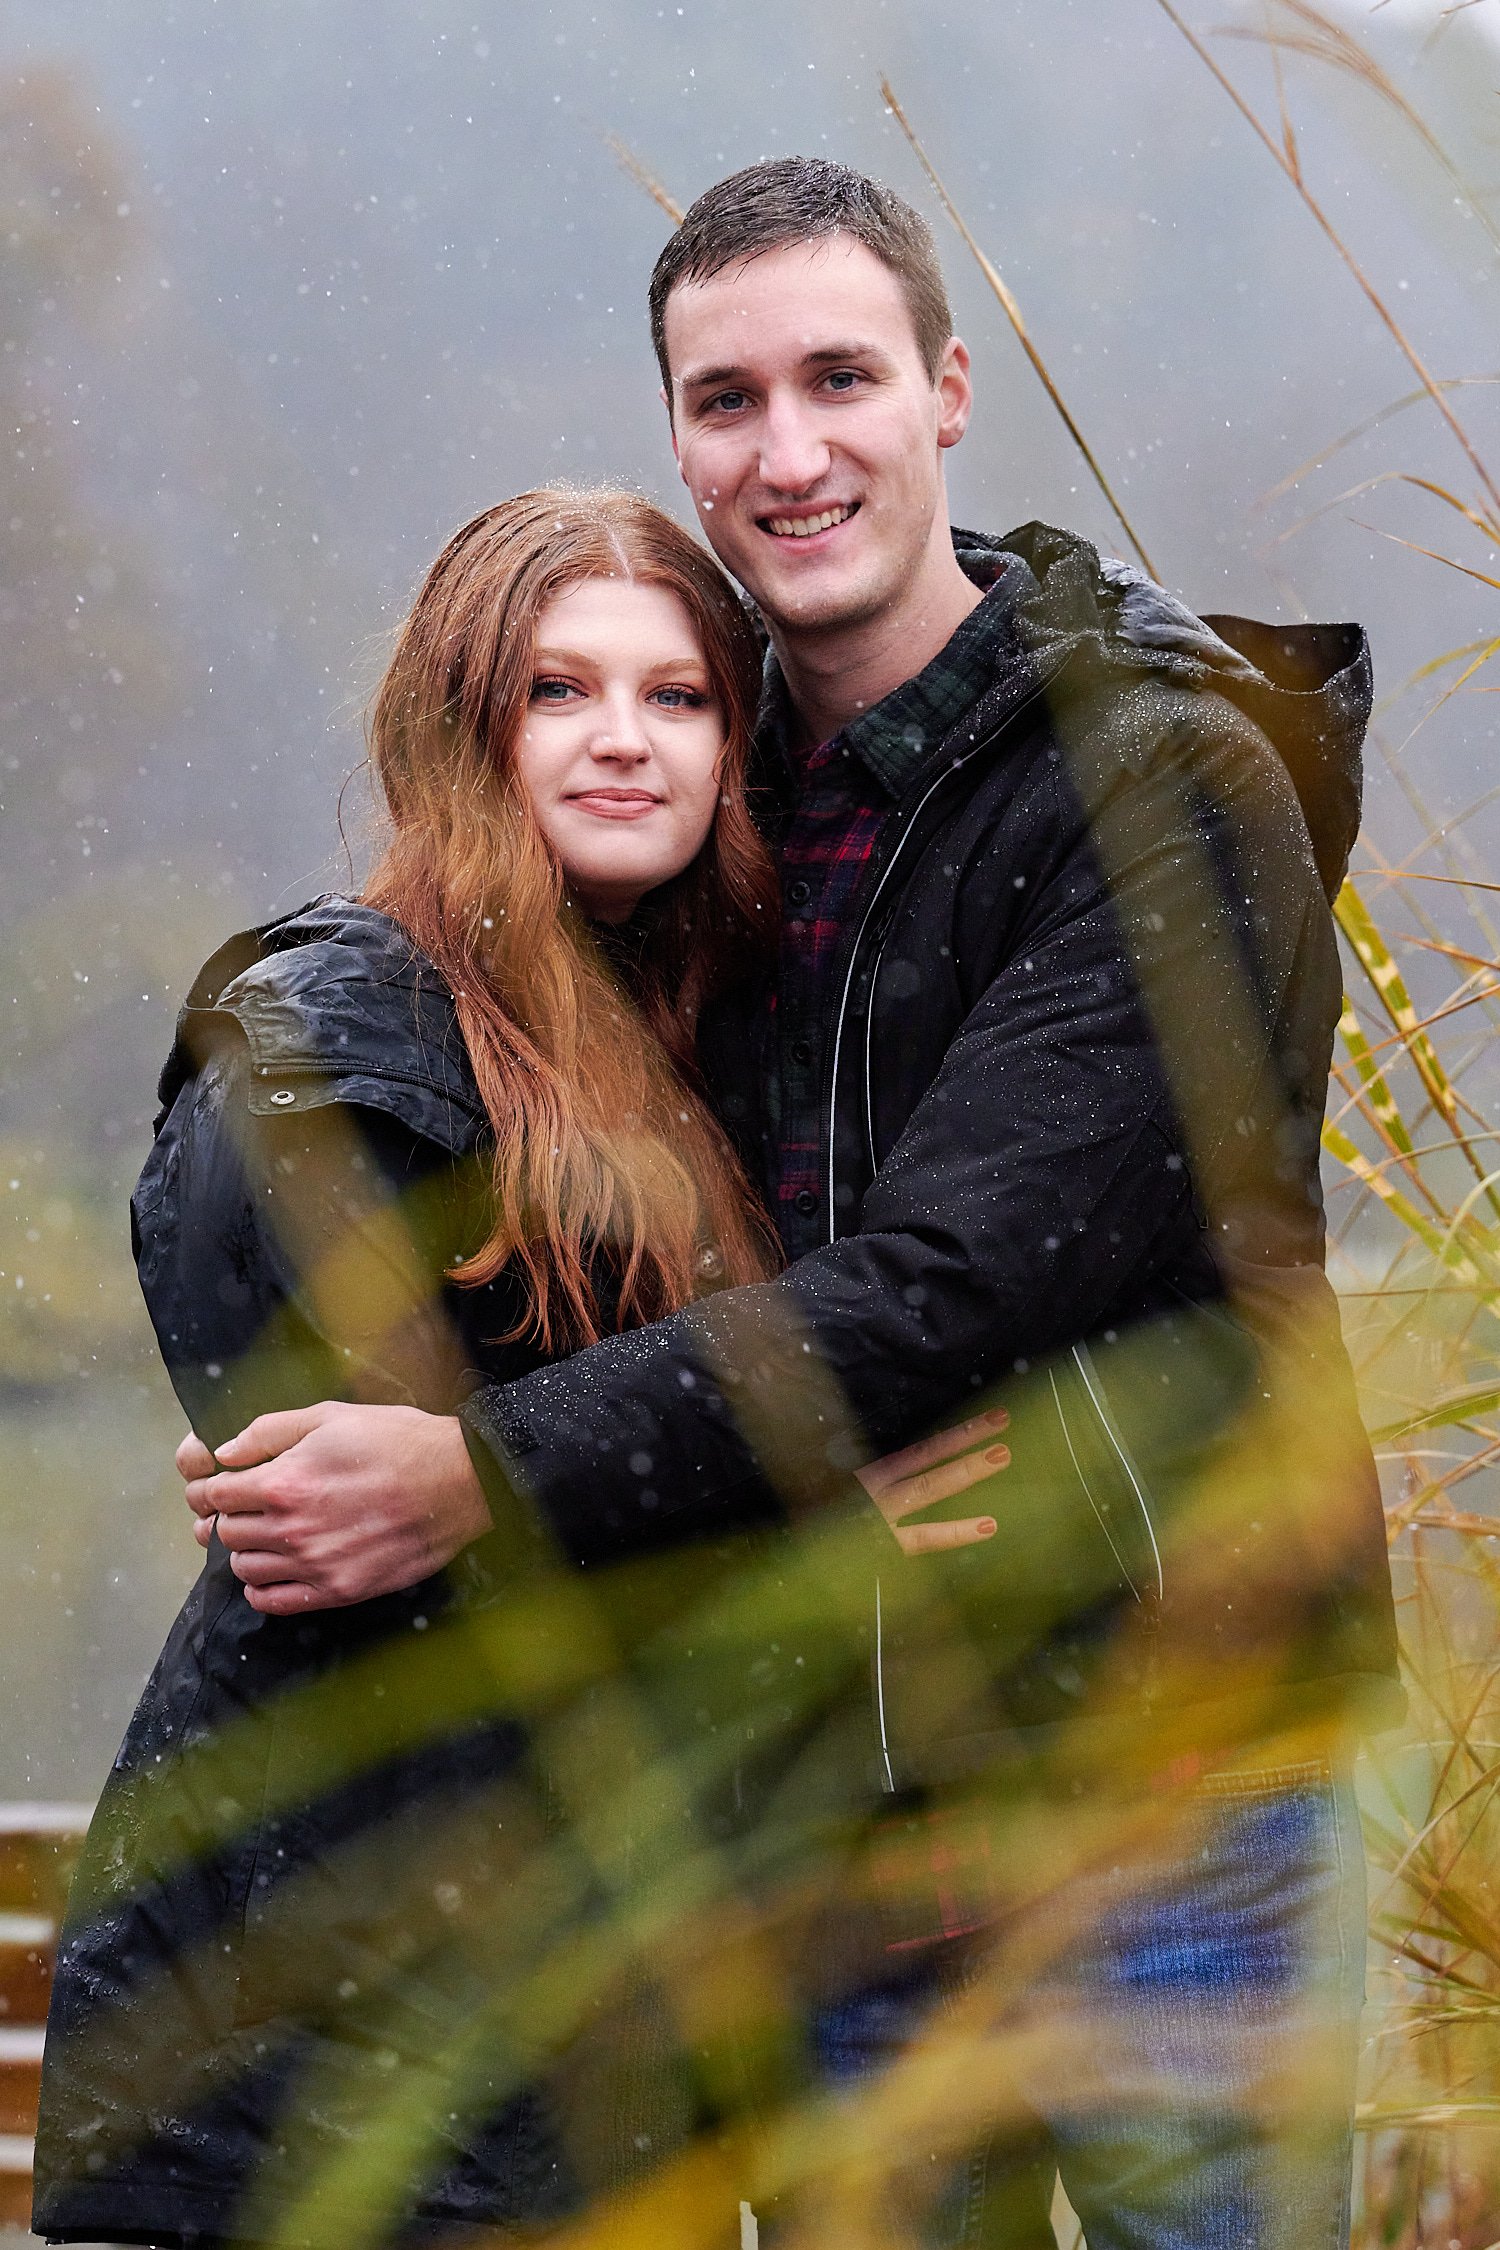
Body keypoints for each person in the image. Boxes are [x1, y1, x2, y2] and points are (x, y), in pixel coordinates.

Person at [165, 161, 1399, 2246]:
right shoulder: (700, 796)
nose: (790, 449)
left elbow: (961, 1282)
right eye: (726, 399)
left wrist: (480, 1478)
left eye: (840, 377)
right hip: (833, 1816)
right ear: (677, 434)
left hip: (1182, 1797)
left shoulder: (1163, 777)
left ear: (948, 390)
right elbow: (489, 1109)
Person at [33, 486, 1004, 2250]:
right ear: (459, 725)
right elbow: (369, 1550)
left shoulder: (681, 1048)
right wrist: (805, 1507)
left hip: (559, 2045)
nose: (624, 740)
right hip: (330, 2046)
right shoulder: (335, 1037)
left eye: (680, 696)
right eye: (559, 690)